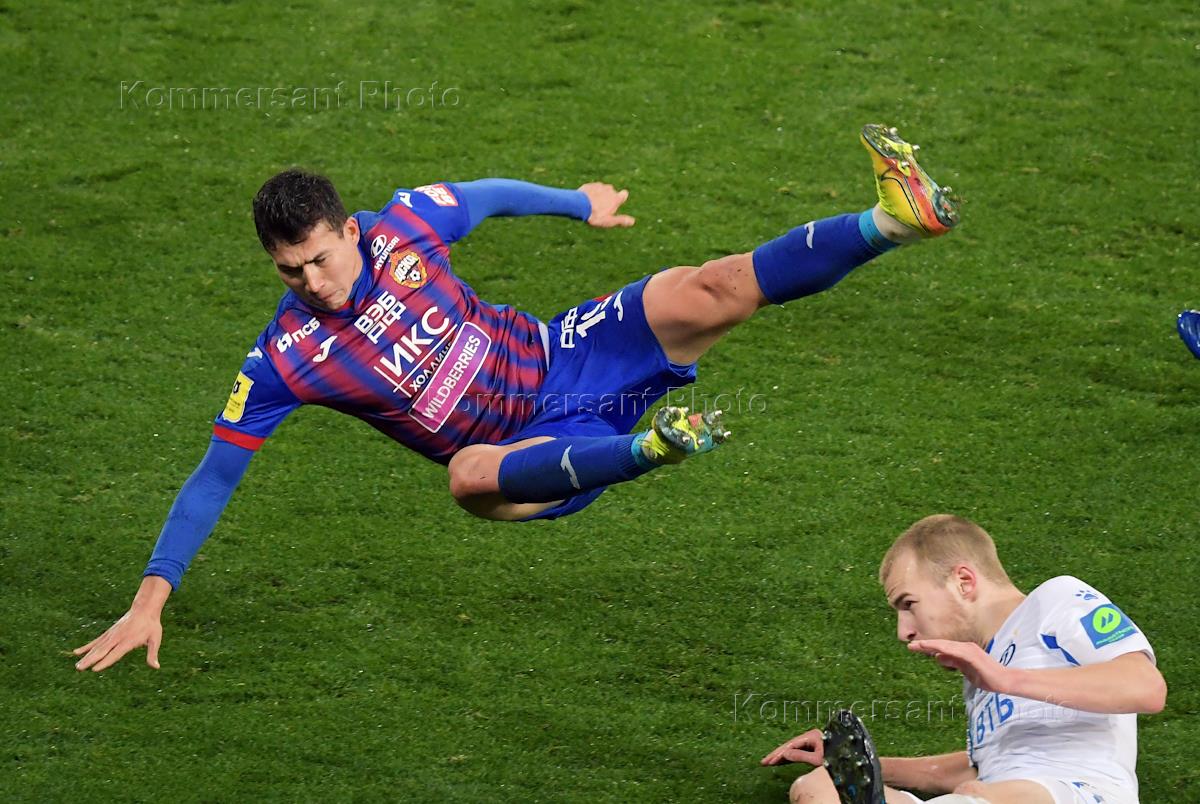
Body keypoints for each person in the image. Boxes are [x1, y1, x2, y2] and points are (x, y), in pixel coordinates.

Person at [74, 125, 960, 672]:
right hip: (528, 461)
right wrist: (152, 596)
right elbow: (215, 475)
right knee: (465, 478)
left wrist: (580, 204)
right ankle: (651, 447)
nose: (313, 283)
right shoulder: (283, 359)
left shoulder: (406, 224)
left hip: (562, 352)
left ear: (351, 229)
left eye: (321, 259)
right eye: (289, 271)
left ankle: (895, 218)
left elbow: (488, 195)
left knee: (711, 286)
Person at [761, 514, 1167, 804]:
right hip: (986, 793)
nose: (904, 631)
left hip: (1076, 793)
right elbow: (979, 768)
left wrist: (1006, 679)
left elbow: (1146, 687)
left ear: (963, 582)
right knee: (816, 787)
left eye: (909, 604)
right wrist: (855, 763)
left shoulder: (1055, 599)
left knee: (992, 795)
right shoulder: (978, 676)